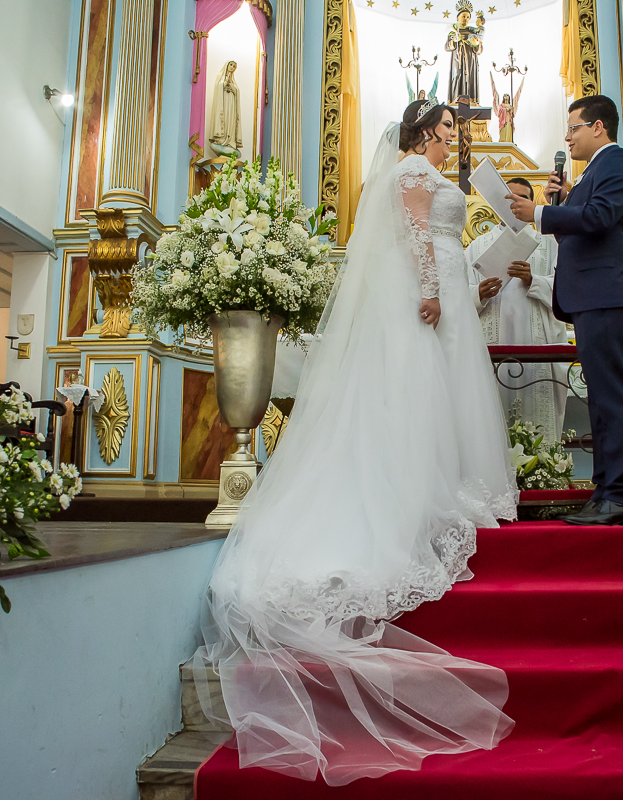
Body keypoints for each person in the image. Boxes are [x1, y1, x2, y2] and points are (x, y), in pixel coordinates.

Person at [191, 100, 517, 786]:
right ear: (427, 132)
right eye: (450, 129)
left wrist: (460, 286)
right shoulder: (408, 173)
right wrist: (432, 290)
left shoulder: (422, 170)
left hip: (454, 290)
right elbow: (418, 236)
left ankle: (448, 484)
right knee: (418, 395)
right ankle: (419, 495)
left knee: (448, 394)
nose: (456, 136)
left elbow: (439, 238)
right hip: (430, 294)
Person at [507, 94, 623, 526]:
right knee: (602, 400)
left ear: (599, 126)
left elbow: (602, 217)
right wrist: (564, 201)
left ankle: (622, 495)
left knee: (615, 398)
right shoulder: (589, 175)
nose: (568, 137)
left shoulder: (617, 162)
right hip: (592, 297)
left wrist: (543, 213)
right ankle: (605, 492)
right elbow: (580, 233)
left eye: (575, 128)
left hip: (609, 294)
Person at [466, 177, 568, 441]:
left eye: (521, 198)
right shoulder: (477, 247)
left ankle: (543, 471)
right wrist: (478, 294)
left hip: (536, 343)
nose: (513, 204)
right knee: (494, 417)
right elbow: (455, 295)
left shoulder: (549, 244)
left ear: (530, 203)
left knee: (536, 414)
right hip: (493, 343)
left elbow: (567, 290)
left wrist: (533, 281)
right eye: (508, 198)